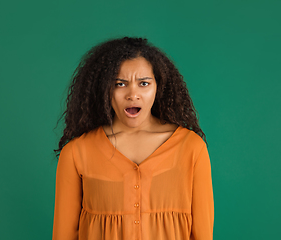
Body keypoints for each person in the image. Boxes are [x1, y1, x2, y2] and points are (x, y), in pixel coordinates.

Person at [52, 37, 214, 240]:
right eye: (120, 84)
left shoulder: (191, 148)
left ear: (158, 87)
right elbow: (63, 235)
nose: (133, 94)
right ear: (105, 89)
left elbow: (203, 234)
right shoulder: (76, 153)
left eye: (144, 83)